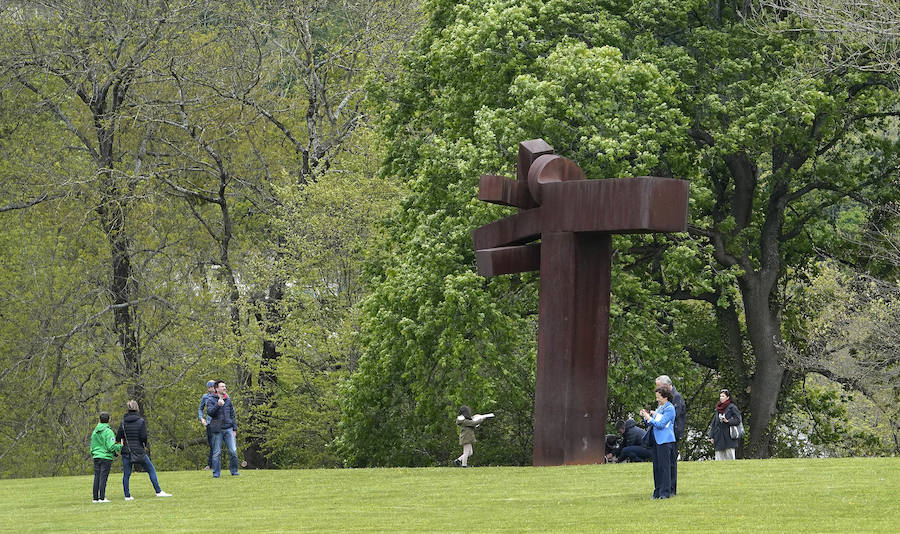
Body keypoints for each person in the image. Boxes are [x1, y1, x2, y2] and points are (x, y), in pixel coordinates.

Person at [116, 400, 172, 499]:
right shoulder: (140, 421)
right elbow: (143, 436)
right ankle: (158, 491)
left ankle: (127, 495)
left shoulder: (123, 422)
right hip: (139, 450)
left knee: (126, 474)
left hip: (127, 451)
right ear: (137, 408)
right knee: (151, 470)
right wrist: (143, 445)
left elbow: (118, 437)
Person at [640, 386, 676, 500]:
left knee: (664, 467)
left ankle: (665, 492)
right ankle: (657, 491)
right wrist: (646, 417)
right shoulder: (660, 408)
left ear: (665, 397)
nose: (657, 400)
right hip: (656, 440)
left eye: (659, 397)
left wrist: (649, 418)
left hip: (665, 441)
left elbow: (660, 425)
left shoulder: (670, 408)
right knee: (656, 467)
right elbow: (653, 423)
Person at [656, 375, 685, 494]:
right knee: (666, 461)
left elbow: (673, 415)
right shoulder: (666, 398)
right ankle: (667, 486)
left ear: (666, 385)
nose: (658, 390)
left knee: (671, 461)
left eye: (659, 387)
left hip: (673, 432)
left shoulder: (676, 398)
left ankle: (671, 488)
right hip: (666, 432)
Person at [206, 380, 239, 477]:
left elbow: (232, 415)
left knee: (233, 451)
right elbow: (210, 412)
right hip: (217, 429)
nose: (224, 388)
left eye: (225, 386)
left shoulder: (228, 400)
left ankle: (234, 472)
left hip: (228, 428)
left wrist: (235, 428)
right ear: (216, 389)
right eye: (222, 386)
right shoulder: (211, 399)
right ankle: (216, 474)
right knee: (216, 453)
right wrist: (218, 405)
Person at [90, 411, 123, 503]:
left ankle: (95, 498)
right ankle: (102, 498)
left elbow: (92, 445)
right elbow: (111, 447)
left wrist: (93, 453)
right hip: (106, 457)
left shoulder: (95, 432)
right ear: (109, 420)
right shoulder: (109, 432)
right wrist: (120, 445)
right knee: (103, 477)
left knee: (97, 476)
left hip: (96, 456)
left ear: (99, 420)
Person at [708, 389, 742, 460]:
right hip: (718, 437)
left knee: (730, 458)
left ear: (728, 397)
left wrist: (728, 421)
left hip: (729, 437)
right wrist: (711, 436)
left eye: (723, 396)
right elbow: (714, 423)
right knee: (718, 459)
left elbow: (738, 420)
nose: (721, 398)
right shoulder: (718, 409)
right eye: (720, 396)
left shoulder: (732, 407)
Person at [198, 379, 217, 470]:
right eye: (210, 387)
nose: (212, 389)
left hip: (219, 423)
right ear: (208, 388)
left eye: (213, 386)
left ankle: (211, 465)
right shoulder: (205, 397)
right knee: (212, 444)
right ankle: (210, 465)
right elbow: (200, 408)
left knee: (217, 444)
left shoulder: (221, 396)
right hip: (209, 423)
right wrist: (202, 418)